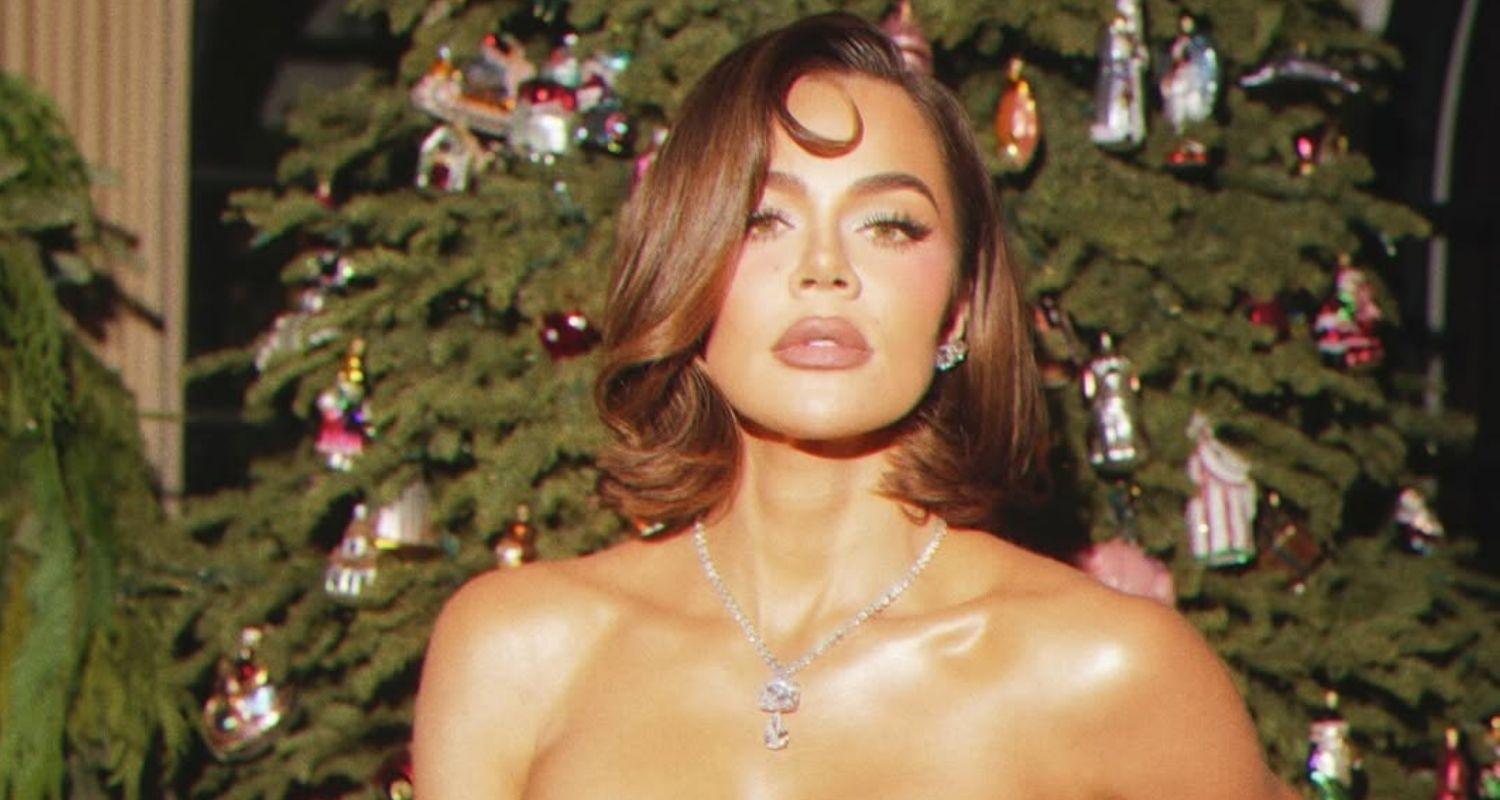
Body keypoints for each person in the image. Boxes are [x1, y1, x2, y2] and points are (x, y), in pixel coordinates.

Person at [414, 13, 1299, 799]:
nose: (824, 270)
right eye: (763, 221)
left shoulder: (1111, 670)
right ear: (687, 273)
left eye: (890, 226)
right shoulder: (518, 649)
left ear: (958, 307)